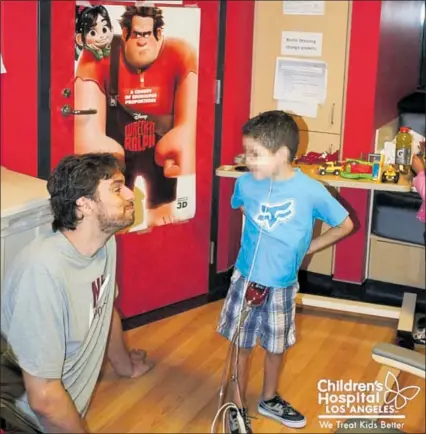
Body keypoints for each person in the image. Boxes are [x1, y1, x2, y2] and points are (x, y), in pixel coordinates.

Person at [216, 111, 354, 433]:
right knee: (242, 345)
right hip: (246, 279)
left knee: (276, 346)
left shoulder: (311, 190)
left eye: (255, 154)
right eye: (246, 152)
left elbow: (345, 224)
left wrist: (308, 248)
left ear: (281, 155)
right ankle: (235, 404)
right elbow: (241, 205)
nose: (247, 160)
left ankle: (268, 398)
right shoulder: (246, 183)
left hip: (282, 286)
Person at [1, 153, 155, 433]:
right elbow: (44, 400)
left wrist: (124, 365)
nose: (132, 194)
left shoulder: (103, 243)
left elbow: (104, 309)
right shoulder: (43, 271)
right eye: (117, 188)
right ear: (84, 204)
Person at [74, 5, 198, 227]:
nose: (142, 41)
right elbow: (86, 130)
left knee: (165, 213)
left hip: (160, 156)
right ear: (124, 34)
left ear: (159, 34)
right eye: (137, 34)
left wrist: (180, 141)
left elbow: (189, 123)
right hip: (117, 155)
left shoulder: (180, 54)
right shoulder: (99, 55)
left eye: (147, 34)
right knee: (111, 212)